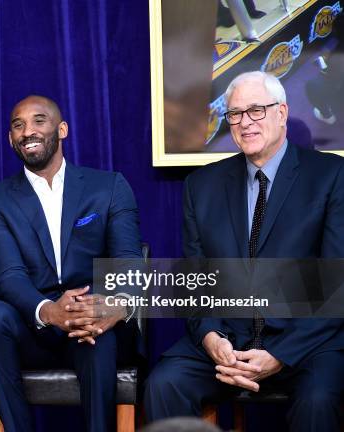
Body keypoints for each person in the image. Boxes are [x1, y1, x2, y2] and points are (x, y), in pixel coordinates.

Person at [144, 71, 344, 431]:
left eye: (256, 110)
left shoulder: (330, 176)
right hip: (227, 342)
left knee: (319, 400)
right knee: (164, 383)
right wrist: (210, 337)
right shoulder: (201, 186)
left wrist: (280, 355)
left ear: (281, 113)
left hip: (305, 343)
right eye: (234, 114)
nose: (244, 122)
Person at [0, 95, 145, 432]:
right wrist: (50, 311)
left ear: (61, 129)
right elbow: (8, 276)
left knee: (95, 330)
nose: (27, 131)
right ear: (9, 138)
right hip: (33, 327)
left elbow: (128, 262)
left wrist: (114, 306)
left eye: (39, 120)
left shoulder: (108, 187)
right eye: (17, 125)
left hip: (96, 327)